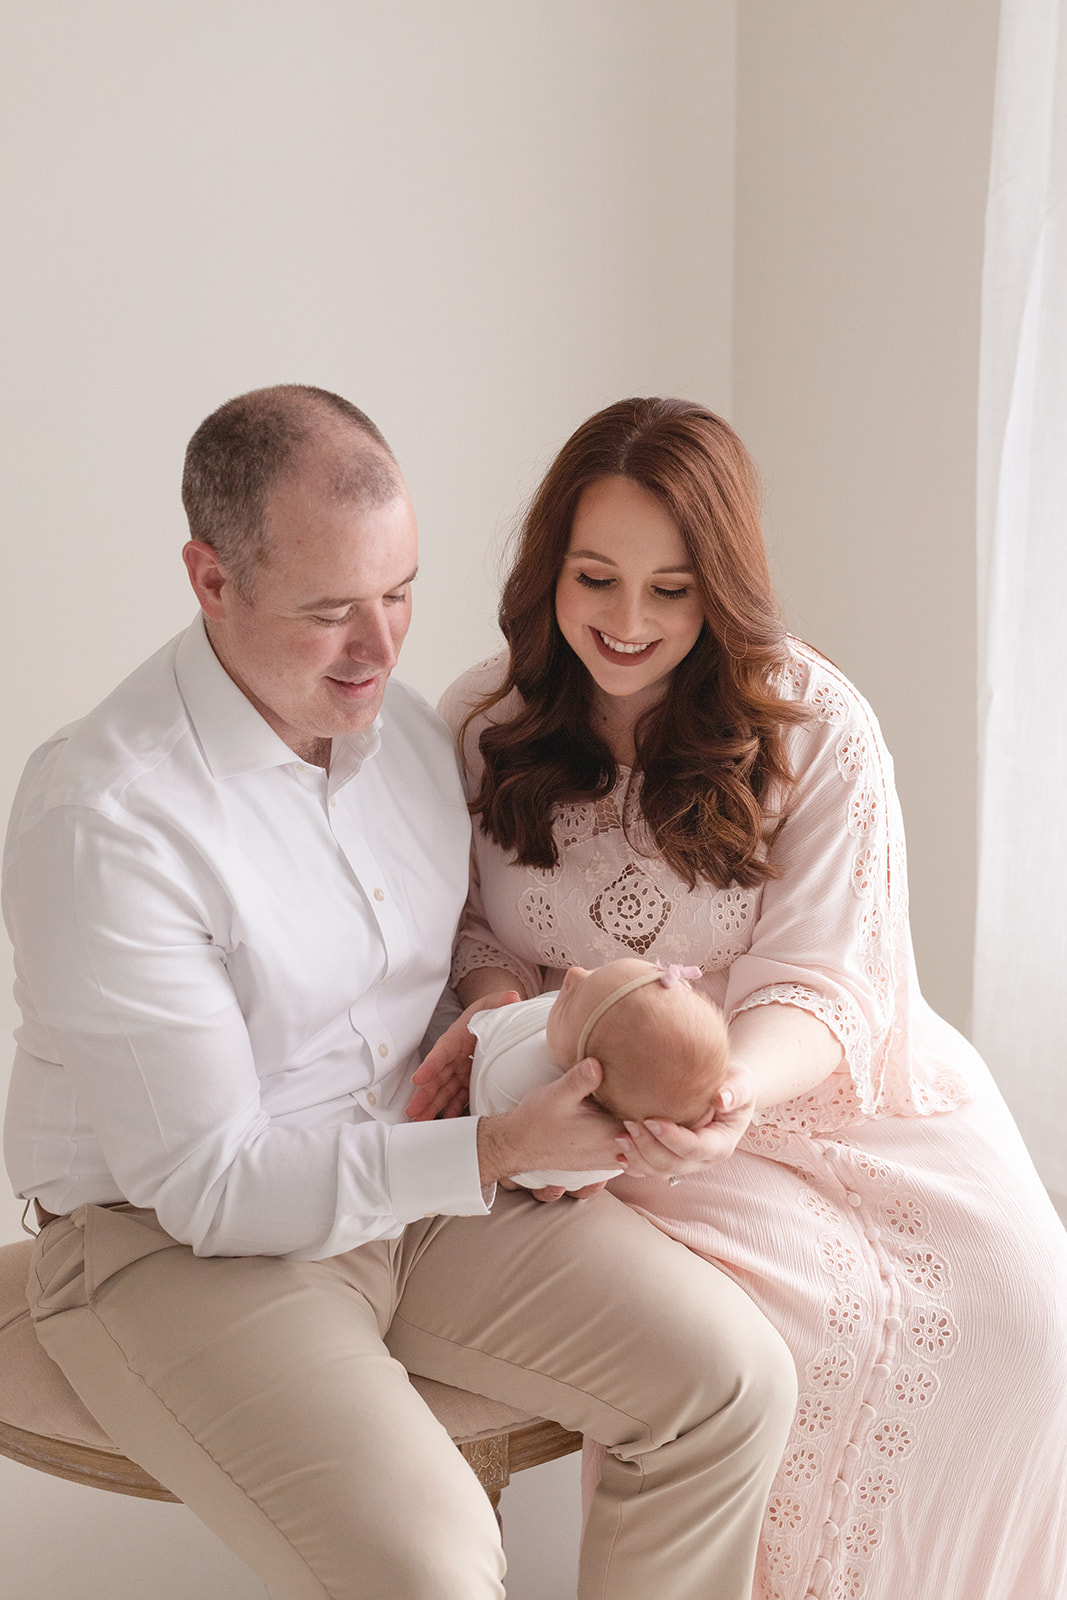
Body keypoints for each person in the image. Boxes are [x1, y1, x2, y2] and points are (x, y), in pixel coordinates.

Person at [2, 384, 798, 1600]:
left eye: (399, 592)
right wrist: (483, 1152)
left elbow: (428, 1011)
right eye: (329, 612)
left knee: (730, 1381)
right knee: (431, 1569)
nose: (378, 649)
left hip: (407, 1185)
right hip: (170, 1244)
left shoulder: (415, 744)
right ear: (211, 580)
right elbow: (209, 1185)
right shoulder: (106, 818)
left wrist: (542, 1045)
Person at [428, 396, 1067, 1600]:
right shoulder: (479, 726)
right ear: (545, 571)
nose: (625, 622)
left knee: (1023, 1320)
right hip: (604, 1121)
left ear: (718, 584)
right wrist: (498, 1006)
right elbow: (459, 926)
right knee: (777, 1353)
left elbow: (824, 981)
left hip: (823, 1100)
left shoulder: (811, 725)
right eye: (594, 577)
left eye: (669, 590)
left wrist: (724, 1089)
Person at [469, 958, 730, 1190]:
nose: (574, 972)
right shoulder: (617, 1123)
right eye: (596, 971)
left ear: (583, 1079)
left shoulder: (518, 1078)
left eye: (570, 998)